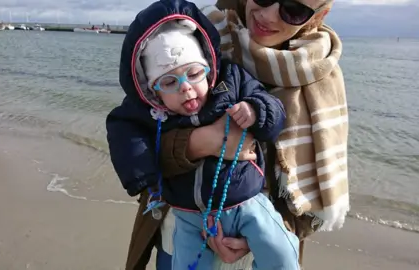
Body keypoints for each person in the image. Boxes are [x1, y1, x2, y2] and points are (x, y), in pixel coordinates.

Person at [107, 0, 349, 269]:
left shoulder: (324, 78)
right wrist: (198, 143)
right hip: (181, 223)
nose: (268, 15)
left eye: (293, 9)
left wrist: (256, 236)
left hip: (258, 230)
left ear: (319, 14)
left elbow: (309, 195)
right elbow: (134, 138)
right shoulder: (192, 35)